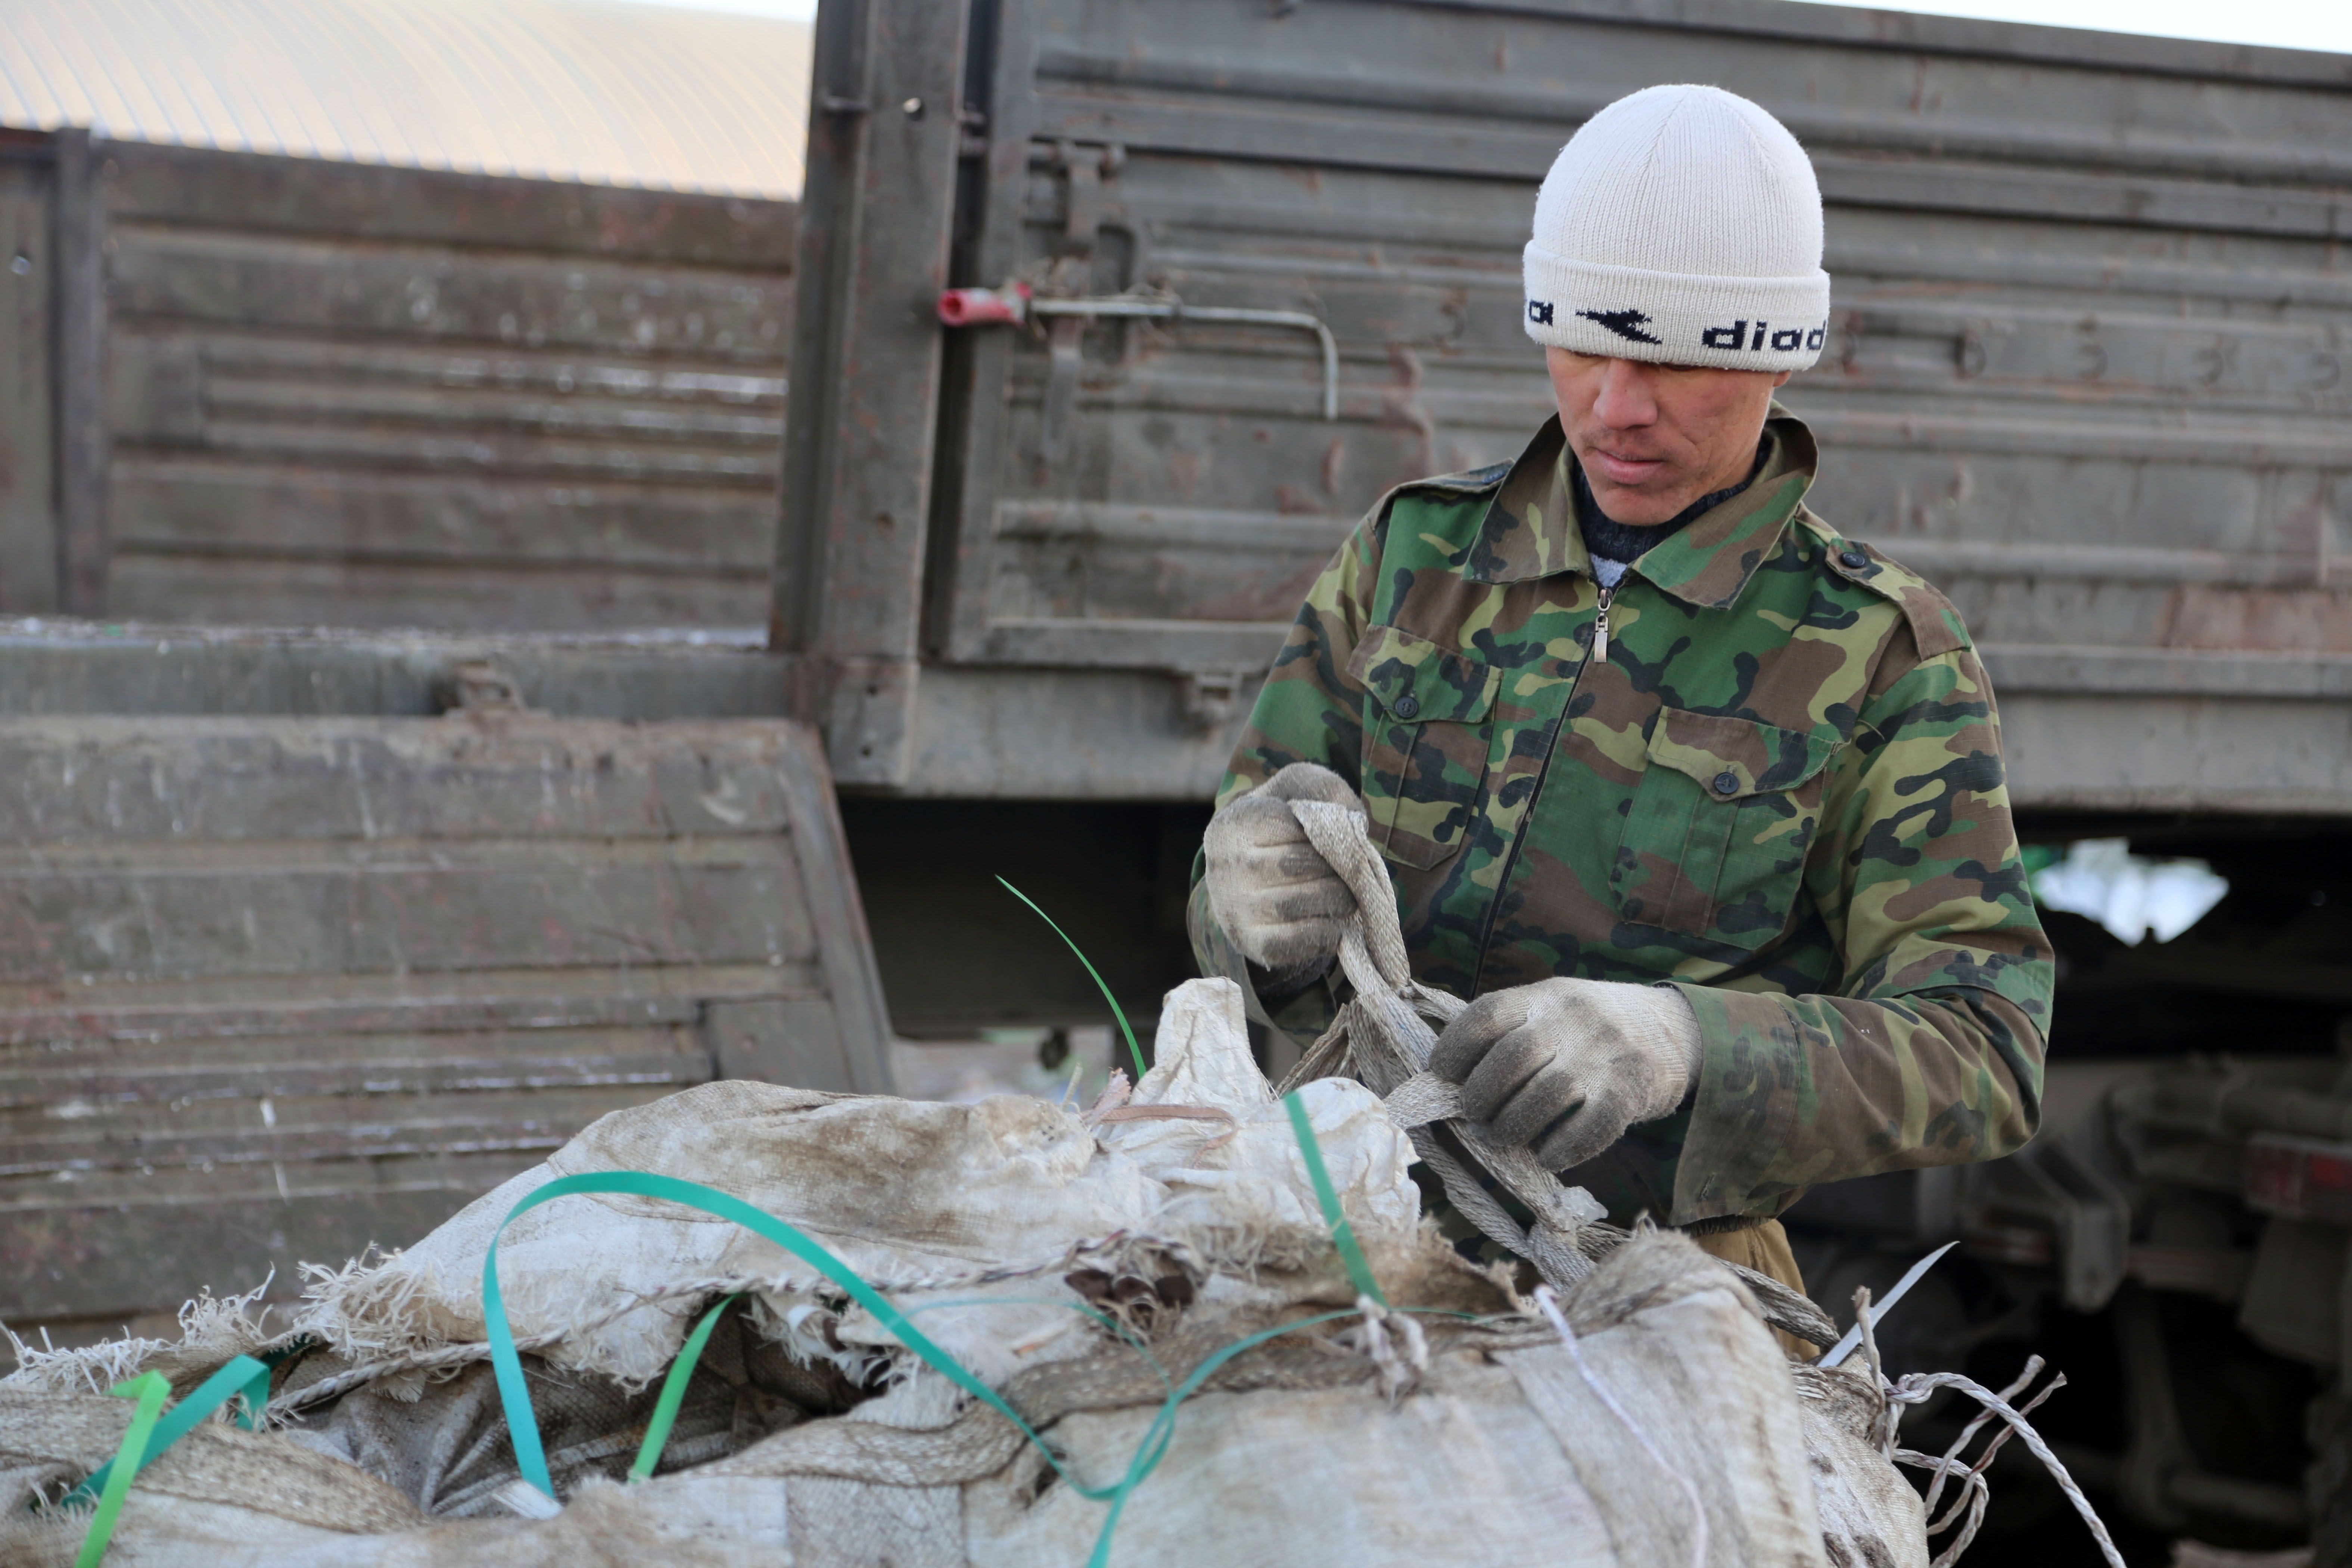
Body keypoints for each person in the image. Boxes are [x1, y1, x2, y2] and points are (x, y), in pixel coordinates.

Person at [1189, 83, 2052, 1298]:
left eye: (1678, 361)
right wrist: (1242, 906)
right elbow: (1240, 916)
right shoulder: (1410, 561)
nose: (1616, 406)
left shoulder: (1875, 650)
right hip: (1345, 1241)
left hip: (1651, 1291)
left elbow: (1984, 1051)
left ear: (1773, 359)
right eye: (1585, 345)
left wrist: (1684, 1045)